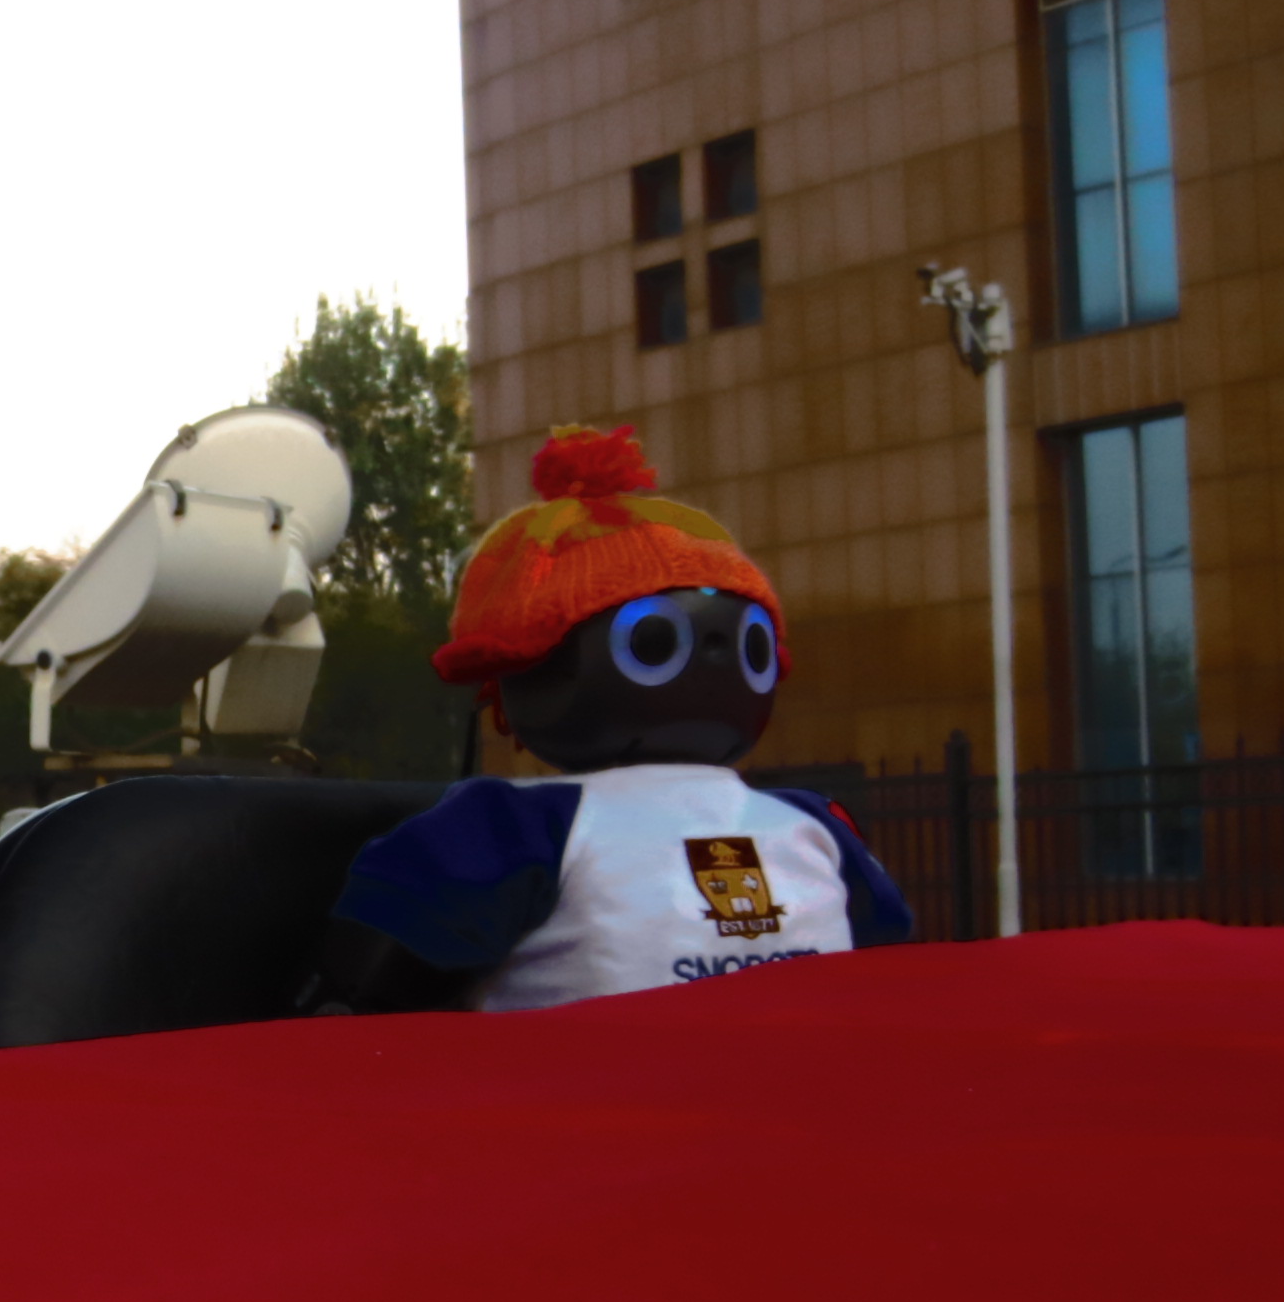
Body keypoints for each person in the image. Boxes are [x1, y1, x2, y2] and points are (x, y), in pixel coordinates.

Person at [303, 424, 904, 1012]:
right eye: (652, 643)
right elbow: (894, 959)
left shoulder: (511, 827)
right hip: (803, 1071)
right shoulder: (812, 825)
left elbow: (368, 981)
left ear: (520, 675)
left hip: (607, 1080)